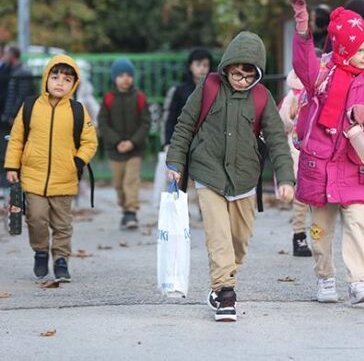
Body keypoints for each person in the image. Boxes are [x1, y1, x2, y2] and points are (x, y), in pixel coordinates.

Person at [166, 31, 295, 322]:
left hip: (245, 178)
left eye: (249, 76)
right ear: (227, 67)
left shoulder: (262, 97)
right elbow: (185, 124)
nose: (242, 80)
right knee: (219, 236)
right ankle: (225, 293)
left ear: (257, 75)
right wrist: (175, 161)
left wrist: (286, 178)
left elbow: (276, 139)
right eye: (237, 73)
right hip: (208, 171)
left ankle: (222, 279)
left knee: (239, 240)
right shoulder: (209, 86)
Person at [287, 0, 364, 305]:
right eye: (359, 49)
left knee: (356, 222)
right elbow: (302, 63)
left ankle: (358, 281)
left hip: (355, 163)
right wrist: (302, 26)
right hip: (320, 164)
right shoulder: (322, 76)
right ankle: (325, 277)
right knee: (319, 229)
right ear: (342, 47)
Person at [4, 55, 98, 281]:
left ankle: (61, 260)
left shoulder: (77, 110)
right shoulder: (30, 107)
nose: (59, 83)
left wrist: (77, 161)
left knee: (62, 224)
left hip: (65, 178)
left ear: (73, 84)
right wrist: (11, 166)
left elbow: (90, 141)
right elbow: (17, 139)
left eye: (67, 79)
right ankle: (40, 251)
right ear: (46, 78)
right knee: (36, 218)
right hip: (33, 177)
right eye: (55, 77)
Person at [98, 58, 151, 230]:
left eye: (129, 75)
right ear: (114, 78)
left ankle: (131, 212)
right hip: (115, 150)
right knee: (119, 184)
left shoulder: (140, 97)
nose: (126, 78)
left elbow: (145, 123)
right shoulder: (108, 98)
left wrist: (132, 142)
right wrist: (118, 142)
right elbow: (103, 124)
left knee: (131, 180)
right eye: (121, 75)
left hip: (135, 149)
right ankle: (125, 209)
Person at [277, 69, 312, 257]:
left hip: (319, 149)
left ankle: (317, 236)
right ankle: (299, 235)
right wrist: (291, 115)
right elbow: (281, 122)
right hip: (297, 149)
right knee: (302, 195)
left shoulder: (323, 90)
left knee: (317, 201)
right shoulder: (292, 95)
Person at [162, 48, 213, 146]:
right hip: (184, 141)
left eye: (205, 65)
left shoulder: (216, 90)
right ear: (190, 66)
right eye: (198, 65)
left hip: (209, 142)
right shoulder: (178, 91)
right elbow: (170, 118)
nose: (202, 68)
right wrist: (167, 142)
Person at [0, 46, 35, 187]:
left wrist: (14, 114)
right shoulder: (11, 71)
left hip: (16, 118)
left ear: (13, 55)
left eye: (7, 53)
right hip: (9, 118)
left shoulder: (22, 73)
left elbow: (22, 96)